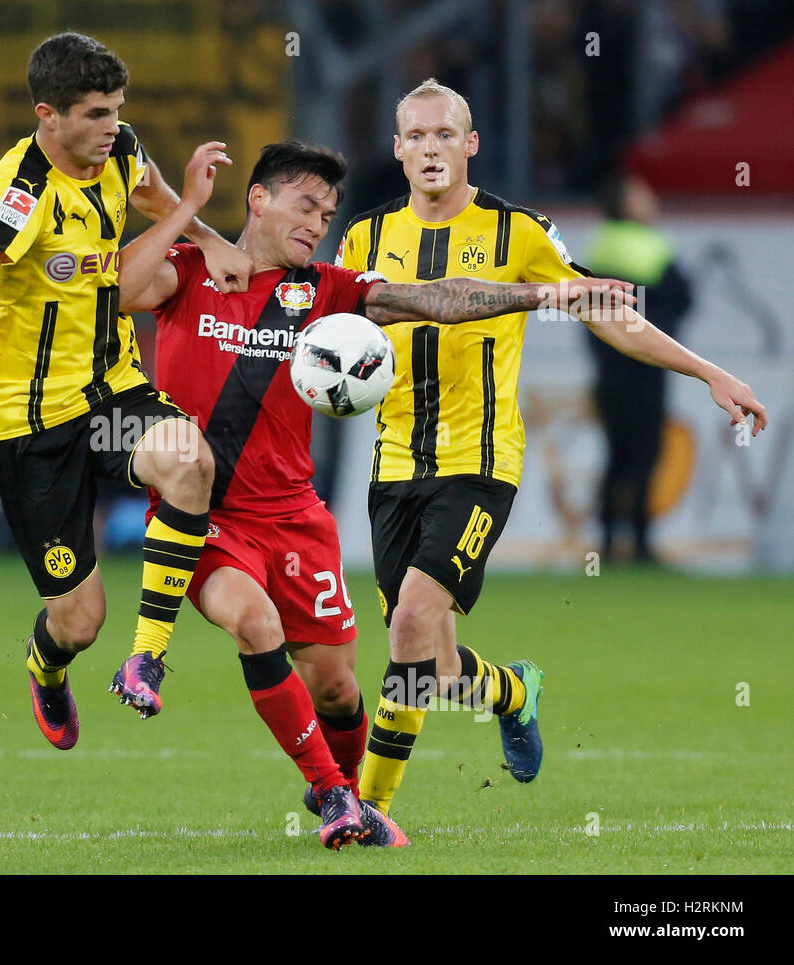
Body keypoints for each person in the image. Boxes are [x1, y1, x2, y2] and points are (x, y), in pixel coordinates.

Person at [118, 140, 630, 848]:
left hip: (295, 517)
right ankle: (341, 799)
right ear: (258, 199)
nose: (317, 223)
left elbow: (439, 299)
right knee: (258, 624)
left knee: (340, 688)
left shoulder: (328, 289)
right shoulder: (189, 270)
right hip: (208, 519)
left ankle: (492, 702)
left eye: (328, 213)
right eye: (306, 205)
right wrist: (191, 216)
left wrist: (546, 293)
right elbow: (117, 289)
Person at [335, 78, 765, 818]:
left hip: (480, 463)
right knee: (428, 662)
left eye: (446, 135)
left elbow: (602, 309)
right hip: (392, 464)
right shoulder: (364, 238)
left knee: (408, 625)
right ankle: (511, 688)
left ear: (471, 145)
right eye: (417, 136)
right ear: (398, 149)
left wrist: (707, 371)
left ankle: (365, 812)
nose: (432, 149)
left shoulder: (520, 233)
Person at [0, 32, 252, 749]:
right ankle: (47, 668)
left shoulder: (123, 147)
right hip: (31, 422)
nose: (111, 127)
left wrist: (209, 235)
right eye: (96, 114)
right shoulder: (24, 193)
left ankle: (148, 656)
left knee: (190, 461)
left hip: (111, 392)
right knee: (78, 621)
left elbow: (157, 200)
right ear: (49, 116)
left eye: (117, 110)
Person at [584, 174, 693, 564]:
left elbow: (592, 313)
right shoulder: (651, 246)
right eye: (642, 196)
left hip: (610, 371)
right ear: (627, 206)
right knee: (646, 454)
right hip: (647, 368)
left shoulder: (600, 246)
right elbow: (681, 299)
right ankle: (643, 543)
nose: (652, 201)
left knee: (616, 454)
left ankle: (610, 541)